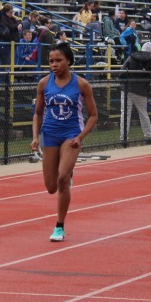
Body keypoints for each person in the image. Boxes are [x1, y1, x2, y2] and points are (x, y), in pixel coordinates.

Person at [31, 43, 98, 242]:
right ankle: (66, 173)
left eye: (58, 60)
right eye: (51, 61)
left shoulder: (82, 84)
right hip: (50, 135)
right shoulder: (44, 84)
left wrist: (80, 137)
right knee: (51, 187)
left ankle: (59, 226)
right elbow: (38, 113)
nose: (54, 64)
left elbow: (93, 115)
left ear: (68, 61)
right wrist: (35, 137)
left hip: (71, 134)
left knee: (61, 179)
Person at [120, 41, 151, 143]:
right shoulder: (150, 60)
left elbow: (122, 71)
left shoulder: (131, 56)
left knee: (125, 114)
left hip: (127, 88)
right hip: (141, 90)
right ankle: (148, 136)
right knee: (143, 113)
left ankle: (123, 138)